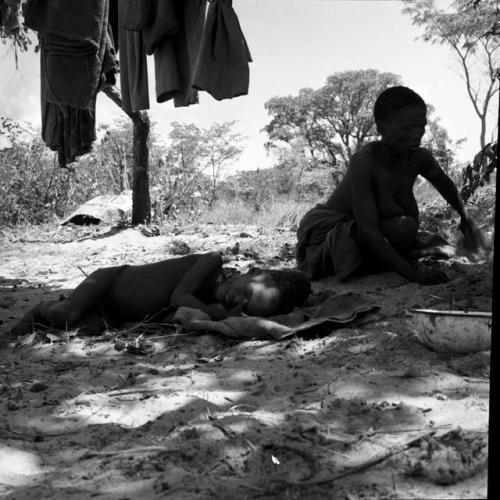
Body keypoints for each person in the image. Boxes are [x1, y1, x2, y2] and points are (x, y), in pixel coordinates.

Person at [296, 86, 488, 286]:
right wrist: (414, 275)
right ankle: (380, 259)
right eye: (408, 128)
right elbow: (368, 230)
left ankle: (388, 255)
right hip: (330, 237)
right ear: (381, 129)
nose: (417, 134)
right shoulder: (364, 162)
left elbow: (445, 185)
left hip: (376, 232)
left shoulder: (418, 158)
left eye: (421, 126)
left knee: (411, 230)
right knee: (404, 228)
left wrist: (466, 219)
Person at [10, 252, 311, 336]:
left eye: (247, 307)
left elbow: (172, 316)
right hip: (111, 282)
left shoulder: (207, 305)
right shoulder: (211, 262)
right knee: (64, 314)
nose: (238, 302)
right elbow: (177, 297)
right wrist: (219, 314)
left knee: (82, 330)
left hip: (113, 314)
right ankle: (38, 310)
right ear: (253, 272)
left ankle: (27, 330)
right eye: (245, 291)